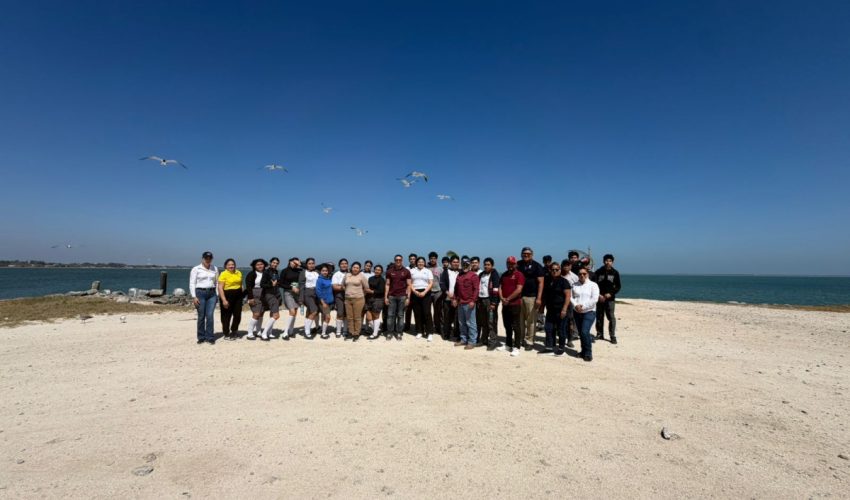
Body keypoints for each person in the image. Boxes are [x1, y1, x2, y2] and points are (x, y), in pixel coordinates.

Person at [540, 262, 571, 356]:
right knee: (548, 328)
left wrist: (564, 309)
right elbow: (545, 296)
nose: (554, 271)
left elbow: (568, 296)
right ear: (550, 270)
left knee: (561, 329)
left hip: (561, 309)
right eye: (552, 269)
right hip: (550, 309)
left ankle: (561, 348)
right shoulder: (548, 281)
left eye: (556, 269)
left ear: (560, 270)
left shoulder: (564, 281)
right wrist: (542, 307)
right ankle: (549, 347)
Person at [497, 256, 525, 356]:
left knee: (516, 326)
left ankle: (517, 347)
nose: (510, 265)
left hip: (515, 304)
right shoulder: (504, 275)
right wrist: (502, 298)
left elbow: (519, 289)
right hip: (505, 304)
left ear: (515, 264)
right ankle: (508, 344)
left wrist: (508, 299)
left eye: (512, 264)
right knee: (507, 325)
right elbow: (500, 287)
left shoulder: (519, 275)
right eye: (508, 263)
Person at [518, 246, 545, 350]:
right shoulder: (518, 264)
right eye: (524, 253)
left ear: (532, 255)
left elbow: (541, 283)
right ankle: (520, 339)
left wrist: (539, 298)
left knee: (531, 321)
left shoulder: (537, 266)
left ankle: (529, 341)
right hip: (519, 297)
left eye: (528, 254)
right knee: (520, 320)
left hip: (532, 297)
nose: (526, 255)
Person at [244, 258, 277, 341]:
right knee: (256, 313)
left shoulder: (266, 273)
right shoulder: (251, 274)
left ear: (264, 265)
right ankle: (250, 333)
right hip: (254, 293)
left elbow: (269, 284)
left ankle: (258, 331)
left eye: (261, 264)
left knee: (261, 313)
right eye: (258, 265)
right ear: (254, 266)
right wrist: (250, 298)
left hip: (264, 294)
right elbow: (248, 287)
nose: (260, 266)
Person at [190, 251, 219, 344]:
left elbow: (217, 282)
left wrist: (217, 294)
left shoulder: (215, 268)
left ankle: (210, 337)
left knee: (210, 316)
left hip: (212, 293)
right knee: (201, 316)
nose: (208, 260)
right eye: (206, 258)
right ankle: (201, 336)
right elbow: (192, 283)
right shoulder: (196, 269)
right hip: (200, 293)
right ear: (202, 258)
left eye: (210, 258)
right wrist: (194, 297)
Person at [572, 268, 600, 362]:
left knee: (584, 332)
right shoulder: (574, 285)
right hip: (577, 312)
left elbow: (594, 299)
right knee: (581, 333)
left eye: (584, 273)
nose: (582, 275)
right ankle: (583, 351)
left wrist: (583, 307)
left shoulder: (593, 285)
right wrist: (576, 305)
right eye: (580, 274)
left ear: (587, 274)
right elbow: (571, 297)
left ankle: (588, 353)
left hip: (589, 312)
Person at [594, 254, 622, 344]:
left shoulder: (615, 273)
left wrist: (611, 293)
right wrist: (598, 295)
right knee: (599, 316)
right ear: (603, 261)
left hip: (610, 299)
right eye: (606, 260)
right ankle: (599, 334)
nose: (608, 262)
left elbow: (618, 286)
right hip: (599, 298)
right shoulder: (598, 272)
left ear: (612, 262)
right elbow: (594, 285)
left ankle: (612, 335)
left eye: (610, 261)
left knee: (611, 317)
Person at [453, 257, 479, 349]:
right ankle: (463, 339)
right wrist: (455, 299)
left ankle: (472, 341)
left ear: (469, 265)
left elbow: (476, 290)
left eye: (466, 264)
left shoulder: (473, 276)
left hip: (469, 303)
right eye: (463, 264)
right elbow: (456, 289)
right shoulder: (459, 275)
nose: (465, 266)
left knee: (471, 323)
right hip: (460, 302)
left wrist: (473, 300)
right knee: (461, 323)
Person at [476, 257, 501, 350]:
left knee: (491, 322)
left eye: (488, 265)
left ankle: (493, 342)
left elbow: (496, 289)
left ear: (492, 265)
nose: (486, 266)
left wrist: (494, 303)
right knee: (483, 322)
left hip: (490, 301)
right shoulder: (481, 274)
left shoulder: (494, 274)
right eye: (485, 264)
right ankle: (484, 340)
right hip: (481, 300)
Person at [384, 255, 411, 340]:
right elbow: (387, 284)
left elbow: (409, 285)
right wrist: (386, 297)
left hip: (402, 296)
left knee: (400, 315)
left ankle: (399, 332)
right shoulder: (389, 271)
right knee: (390, 315)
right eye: (396, 260)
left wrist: (408, 298)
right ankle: (390, 332)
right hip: (392, 296)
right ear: (394, 260)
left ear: (402, 260)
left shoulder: (406, 271)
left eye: (400, 260)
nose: (398, 261)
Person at [342, 262, 372, 341]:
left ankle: (356, 333)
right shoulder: (347, 275)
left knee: (357, 317)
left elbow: (366, 288)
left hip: (358, 299)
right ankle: (351, 332)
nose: (355, 269)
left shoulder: (362, 276)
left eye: (357, 268)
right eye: (354, 267)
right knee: (349, 317)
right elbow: (343, 285)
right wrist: (347, 292)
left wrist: (361, 294)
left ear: (359, 269)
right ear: (351, 268)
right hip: (348, 299)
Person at [216, 258, 243, 340]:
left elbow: (241, 284)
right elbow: (220, 288)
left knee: (237, 315)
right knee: (226, 315)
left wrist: (242, 294)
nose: (231, 266)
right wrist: (224, 300)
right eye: (229, 265)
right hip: (227, 295)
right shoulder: (223, 274)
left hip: (238, 295)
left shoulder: (238, 272)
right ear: (226, 266)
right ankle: (226, 333)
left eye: (233, 264)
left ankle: (234, 331)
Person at [410, 256, 435, 341]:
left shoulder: (428, 271)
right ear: (416, 263)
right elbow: (410, 283)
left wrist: (424, 292)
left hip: (426, 292)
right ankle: (419, 331)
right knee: (417, 313)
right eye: (419, 262)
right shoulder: (412, 271)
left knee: (427, 312)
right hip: (415, 292)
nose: (420, 263)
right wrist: (414, 291)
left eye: (422, 262)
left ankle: (430, 332)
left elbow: (431, 283)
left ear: (424, 263)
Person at [439, 256, 461, 341]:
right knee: (447, 317)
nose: (455, 263)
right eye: (454, 262)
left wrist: (457, 298)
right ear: (450, 263)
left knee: (458, 318)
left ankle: (457, 334)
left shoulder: (461, 272)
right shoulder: (446, 272)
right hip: (448, 298)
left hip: (458, 299)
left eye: (457, 262)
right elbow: (442, 284)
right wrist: (448, 294)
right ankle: (446, 334)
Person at [299, 258, 320, 339]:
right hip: (308, 293)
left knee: (309, 312)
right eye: (309, 263)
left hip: (316, 293)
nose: (311, 265)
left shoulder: (317, 272)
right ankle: (307, 332)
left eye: (313, 263)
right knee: (314, 311)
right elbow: (301, 286)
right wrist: (301, 299)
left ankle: (307, 329)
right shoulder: (303, 272)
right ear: (306, 265)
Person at [560, 258, 579, 348]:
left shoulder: (574, 277)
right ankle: (560, 338)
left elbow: (577, 288)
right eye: (564, 265)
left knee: (570, 321)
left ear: (570, 266)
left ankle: (570, 340)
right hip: (559, 300)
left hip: (570, 301)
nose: (566, 267)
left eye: (568, 265)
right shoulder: (558, 274)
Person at [366, 265, 386, 339]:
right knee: (368, 316)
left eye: (379, 270)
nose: (377, 271)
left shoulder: (382, 280)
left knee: (376, 316)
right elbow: (367, 287)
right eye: (376, 269)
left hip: (378, 299)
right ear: (374, 270)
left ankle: (375, 334)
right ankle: (376, 330)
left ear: (381, 271)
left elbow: (381, 291)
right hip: (369, 299)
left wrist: (371, 291)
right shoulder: (370, 278)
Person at [315, 264, 335, 339]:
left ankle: (323, 330)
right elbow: (318, 291)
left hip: (330, 301)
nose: (325, 272)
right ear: (320, 271)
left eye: (326, 271)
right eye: (323, 271)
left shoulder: (329, 279)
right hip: (324, 302)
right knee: (328, 317)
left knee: (324, 316)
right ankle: (323, 333)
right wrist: (323, 302)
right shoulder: (319, 280)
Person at [332, 259, 349, 337]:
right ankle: (338, 331)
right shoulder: (336, 274)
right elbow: (334, 287)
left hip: (349, 296)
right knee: (340, 313)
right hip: (339, 296)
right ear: (339, 265)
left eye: (345, 263)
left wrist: (341, 286)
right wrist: (344, 287)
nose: (344, 265)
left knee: (346, 314)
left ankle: (345, 330)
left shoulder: (350, 274)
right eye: (342, 264)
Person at [428, 252, 444, 335]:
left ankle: (438, 327)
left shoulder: (440, 269)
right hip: (428, 292)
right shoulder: (426, 268)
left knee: (438, 311)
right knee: (427, 311)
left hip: (438, 291)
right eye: (431, 258)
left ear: (436, 259)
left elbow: (442, 281)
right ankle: (429, 327)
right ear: (429, 259)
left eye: (434, 258)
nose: (432, 260)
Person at [403, 253, 417, 332]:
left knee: (416, 310)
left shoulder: (419, 268)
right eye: (411, 259)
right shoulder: (406, 269)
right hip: (408, 291)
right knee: (407, 310)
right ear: (409, 260)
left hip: (416, 291)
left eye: (413, 259)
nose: (412, 260)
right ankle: (407, 326)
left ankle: (418, 326)